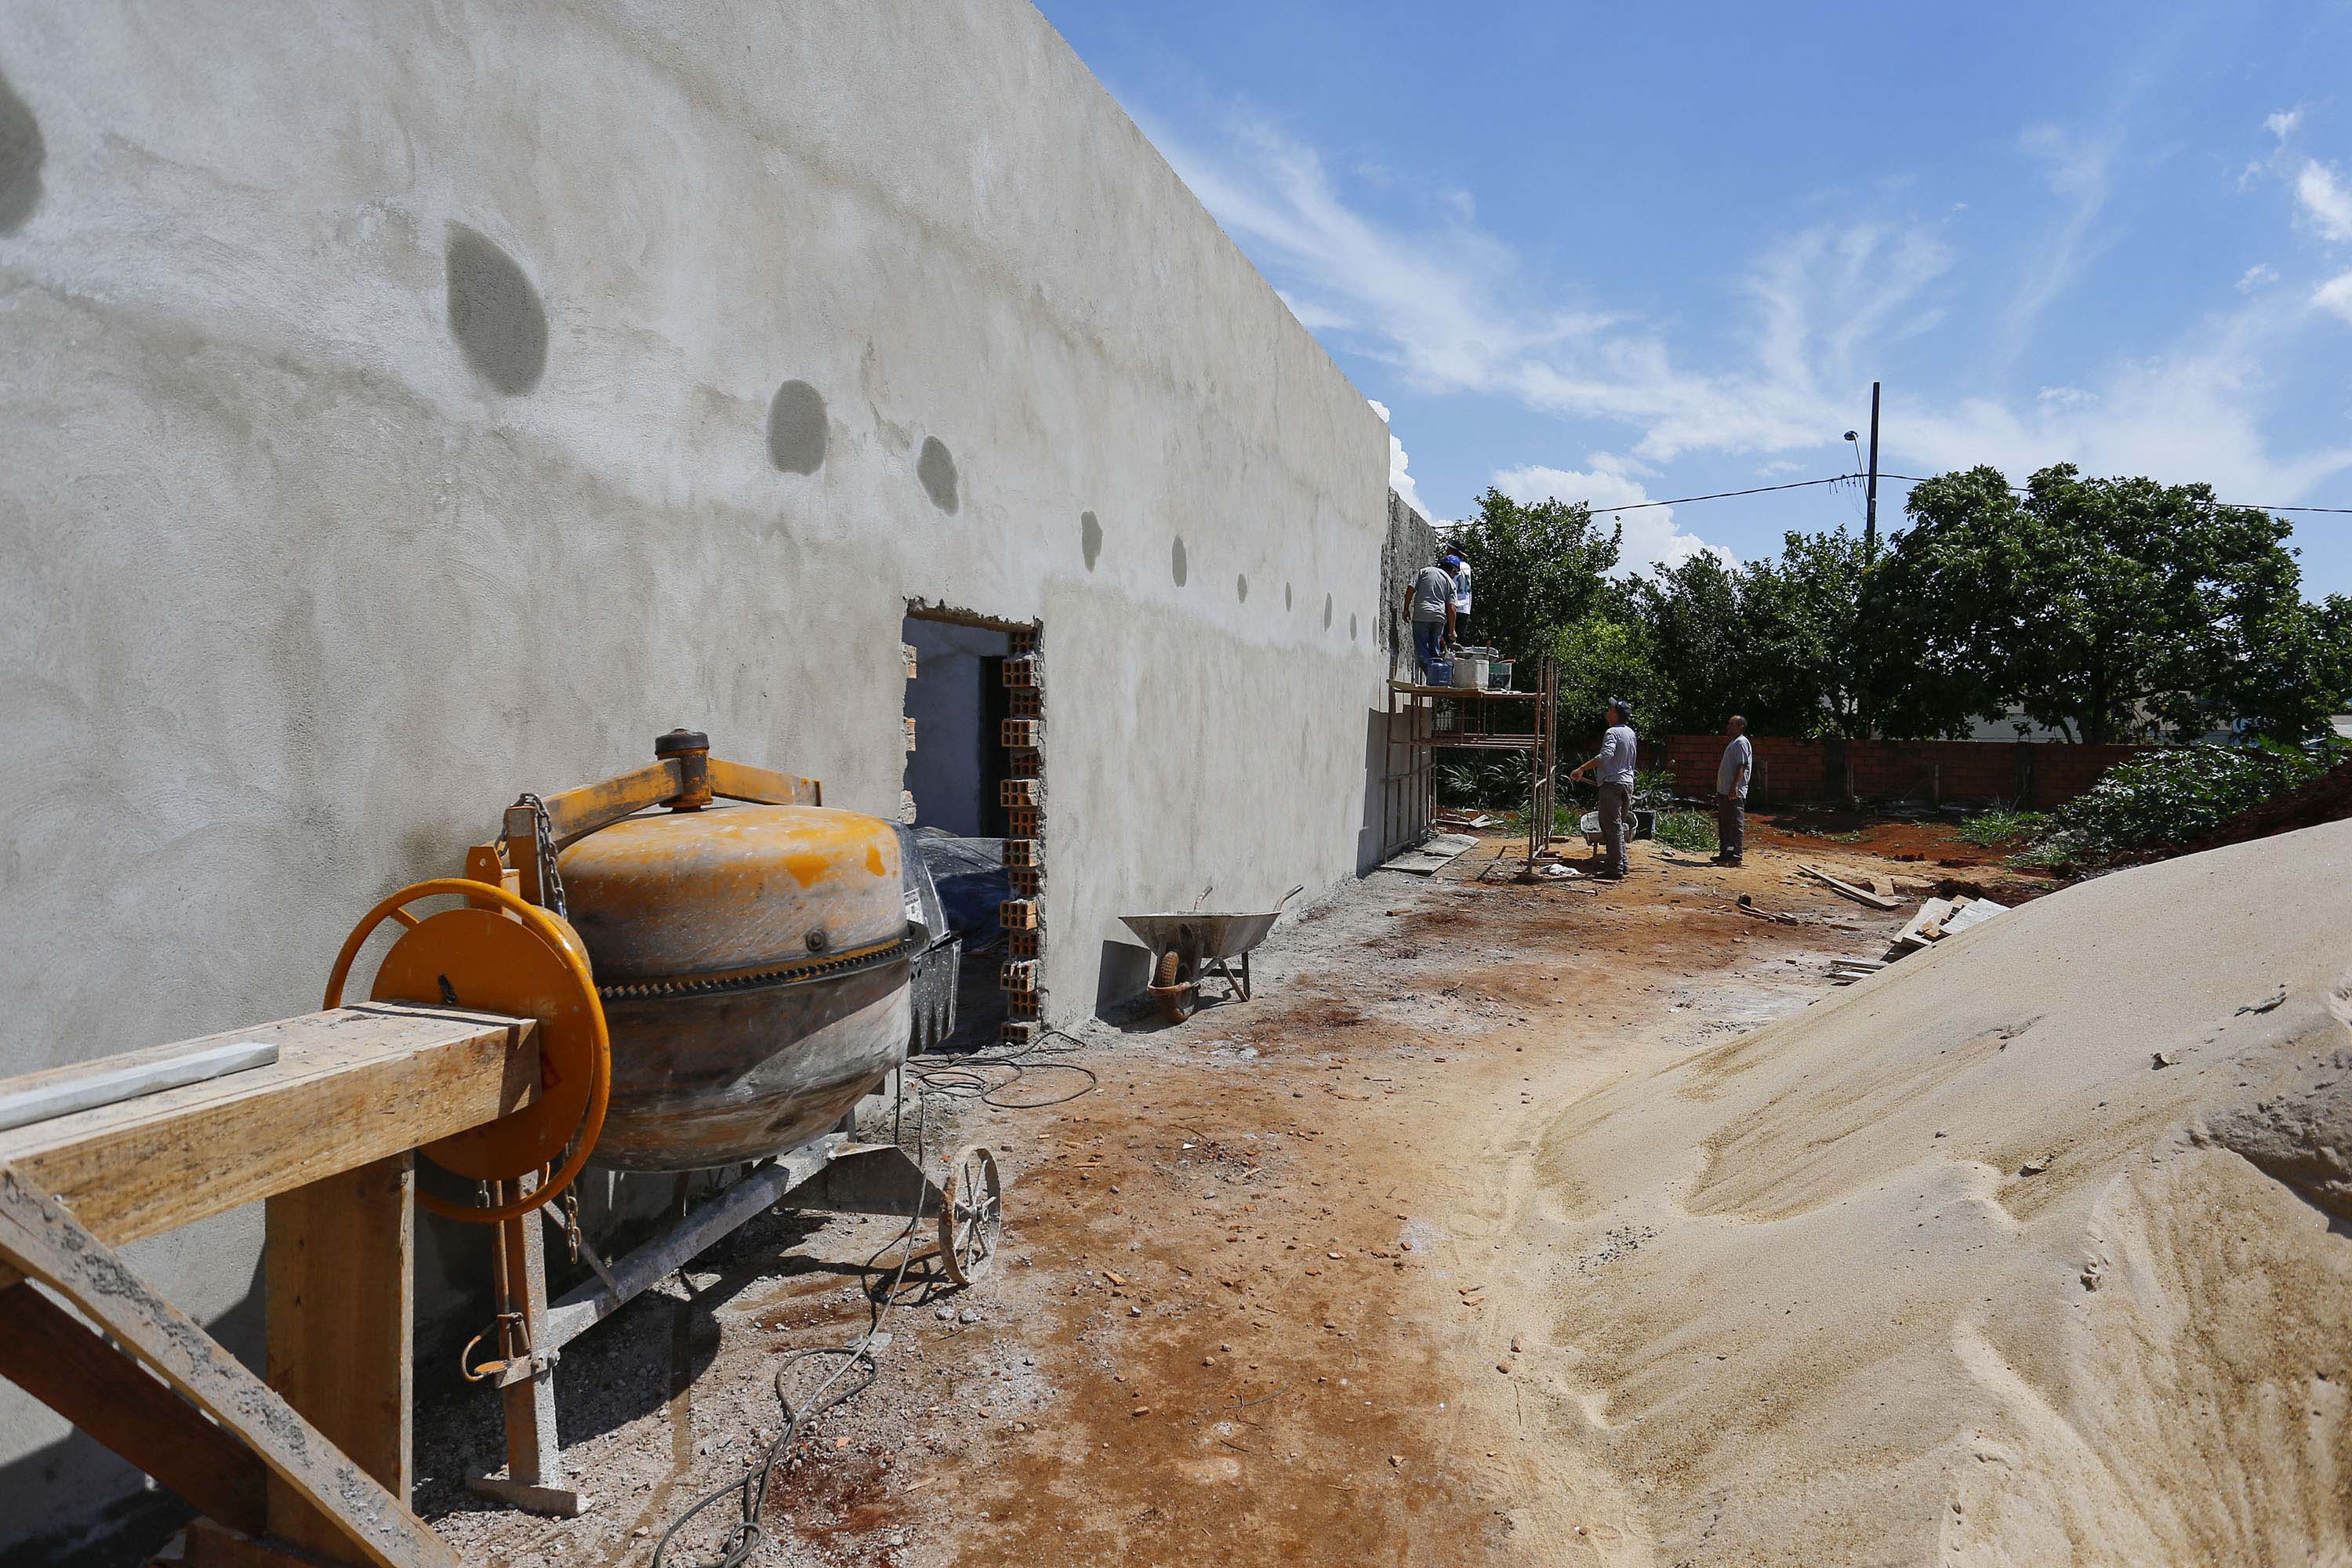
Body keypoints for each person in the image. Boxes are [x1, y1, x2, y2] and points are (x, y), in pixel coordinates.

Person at [1567, 699, 1638, 879]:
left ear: (1616, 714)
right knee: (1617, 826)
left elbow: (1606, 755)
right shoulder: (1630, 733)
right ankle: (1622, 864)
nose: (1607, 711)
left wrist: (1582, 768)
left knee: (1611, 827)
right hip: (1627, 784)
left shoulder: (1612, 732)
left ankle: (1615, 868)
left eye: (1610, 709)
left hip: (1612, 785)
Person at [1404, 550, 1457, 680]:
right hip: (1438, 619)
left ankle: (1433, 677)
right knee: (1435, 652)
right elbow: (1451, 608)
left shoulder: (1425, 571)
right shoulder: (1450, 582)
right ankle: (1438, 679)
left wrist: (1406, 609)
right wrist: (1452, 631)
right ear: (1453, 571)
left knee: (1423, 651)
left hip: (1422, 616)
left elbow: (1410, 588)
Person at [1713, 715, 1752, 867]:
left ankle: (1735, 856)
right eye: (1729, 724)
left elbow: (1741, 766)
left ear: (1740, 727)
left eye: (1732, 724)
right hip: (1724, 790)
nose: (1728, 726)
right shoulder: (1733, 743)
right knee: (1725, 824)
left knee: (1735, 824)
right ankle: (1726, 854)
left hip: (1734, 791)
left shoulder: (1741, 743)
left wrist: (1734, 786)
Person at [1445, 551, 1472, 642]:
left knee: (1446, 639)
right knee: (1460, 641)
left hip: (1452, 606)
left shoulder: (1451, 565)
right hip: (1465, 608)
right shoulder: (1467, 567)